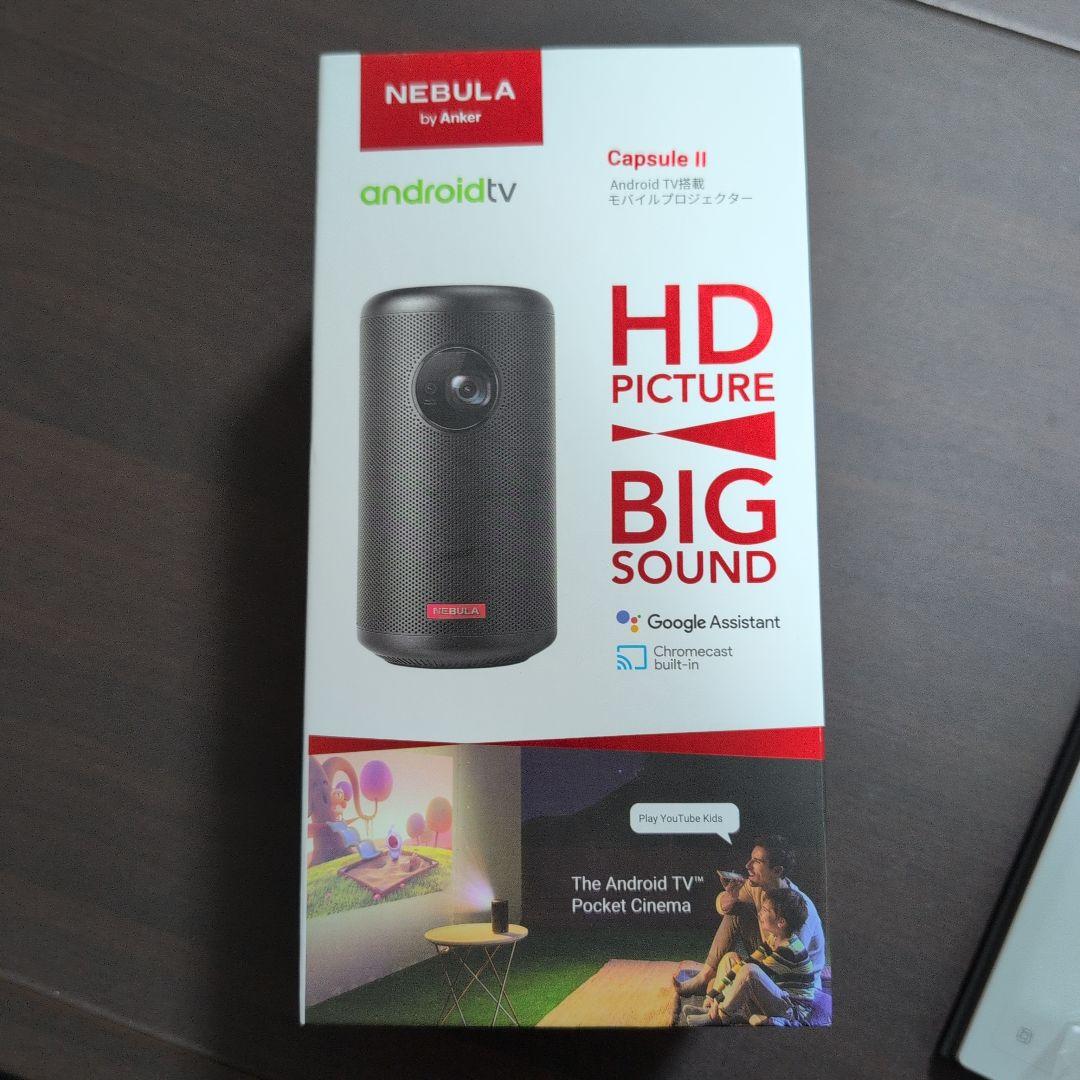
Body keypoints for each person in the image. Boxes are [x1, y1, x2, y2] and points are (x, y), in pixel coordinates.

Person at [675, 834, 825, 997]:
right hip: (768, 956)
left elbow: (790, 965)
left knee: (730, 975)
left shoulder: (798, 909)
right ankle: (704, 977)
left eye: (757, 861)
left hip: (793, 984)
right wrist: (731, 897)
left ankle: (718, 989)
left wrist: (741, 976)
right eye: (750, 859)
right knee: (736, 908)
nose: (748, 866)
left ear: (777, 870)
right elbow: (721, 907)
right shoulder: (756, 887)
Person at [681, 887, 817, 1026]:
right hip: (775, 999)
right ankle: (711, 1009)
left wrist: (719, 998)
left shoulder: (789, 950)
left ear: (781, 922)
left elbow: (751, 974)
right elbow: (747, 963)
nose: (760, 913)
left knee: (750, 971)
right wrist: (713, 994)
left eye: (765, 910)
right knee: (730, 958)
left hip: (791, 1010)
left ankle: (720, 1015)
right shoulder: (774, 938)